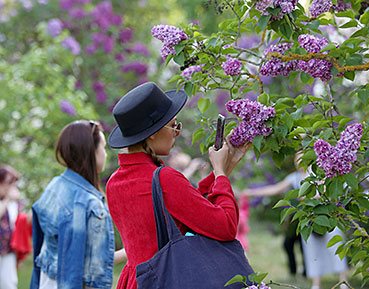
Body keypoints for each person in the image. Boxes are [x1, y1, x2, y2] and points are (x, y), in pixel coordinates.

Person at [106, 82, 250, 289]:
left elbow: (184, 207)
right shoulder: (164, 178)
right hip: (169, 278)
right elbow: (226, 226)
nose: (176, 132)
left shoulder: (114, 182)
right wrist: (220, 174)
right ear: (152, 133)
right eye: (173, 125)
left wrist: (222, 171)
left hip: (135, 281)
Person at [30, 120, 124, 289]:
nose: (105, 154)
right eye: (102, 147)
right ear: (90, 152)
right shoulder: (92, 205)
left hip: (47, 281)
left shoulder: (55, 187)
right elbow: (94, 270)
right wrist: (130, 252)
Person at [244, 153, 348, 289]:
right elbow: (275, 189)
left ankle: (343, 281)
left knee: (336, 247)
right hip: (310, 220)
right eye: (296, 160)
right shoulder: (294, 178)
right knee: (312, 251)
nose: (298, 162)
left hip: (329, 218)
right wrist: (251, 193)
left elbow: (326, 192)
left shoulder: (318, 174)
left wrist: (309, 197)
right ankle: (316, 284)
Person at [0, 165, 20, 289]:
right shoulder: (6, 200)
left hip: (8, 250)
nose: (10, 188)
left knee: (8, 284)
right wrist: (7, 199)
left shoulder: (12, 203)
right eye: (8, 183)